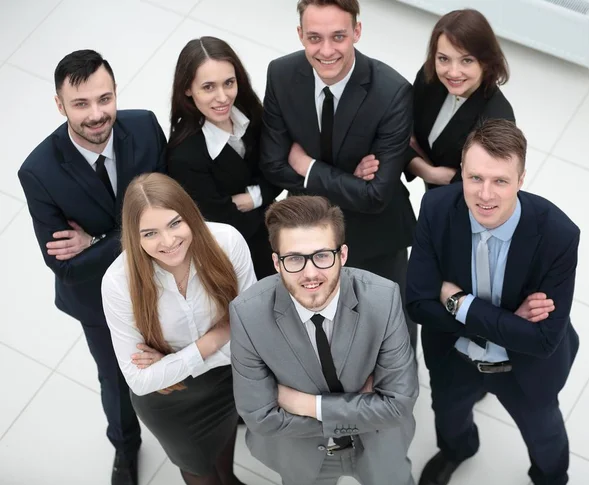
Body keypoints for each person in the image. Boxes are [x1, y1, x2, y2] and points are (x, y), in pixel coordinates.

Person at [17, 50, 167, 485]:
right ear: (60, 105)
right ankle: (126, 447)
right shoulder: (39, 171)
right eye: (81, 104)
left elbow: (174, 204)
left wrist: (98, 241)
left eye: (105, 99)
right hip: (97, 298)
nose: (98, 115)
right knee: (116, 377)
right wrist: (137, 232)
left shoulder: (144, 125)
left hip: (162, 275)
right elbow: (65, 267)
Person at [406, 119, 579, 485]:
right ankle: (458, 449)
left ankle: (551, 478)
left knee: (544, 434)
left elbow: (544, 339)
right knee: (449, 415)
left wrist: (459, 302)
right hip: (455, 355)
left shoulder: (558, 235)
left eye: (500, 180)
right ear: (462, 174)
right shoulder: (436, 209)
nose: (485, 195)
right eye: (475, 178)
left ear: (521, 179)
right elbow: (418, 304)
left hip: (524, 368)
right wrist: (508, 321)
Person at [259, 0, 417, 349]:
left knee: (391, 328)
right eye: (314, 37)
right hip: (308, 231)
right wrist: (348, 178)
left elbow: (376, 196)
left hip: (376, 235)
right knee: (319, 325)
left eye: (339, 36)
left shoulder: (392, 92)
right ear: (300, 34)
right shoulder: (281, 74)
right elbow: (271, 164)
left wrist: (307, 166)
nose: (326, 50)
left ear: (357, 32)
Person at [230, 195, 418, 485]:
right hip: (299, 453)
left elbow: (397, 405)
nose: (310, 273)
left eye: (322, 255)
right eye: (294, 258)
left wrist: (306, 405)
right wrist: (365, 405)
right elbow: (260, 417)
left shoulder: (384, 297)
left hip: (378, 444)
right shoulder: (247, 313)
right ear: (276, 263)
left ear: (342, 255)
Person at [101, 173, 256, 485]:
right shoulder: (118, 283)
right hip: (171, 399)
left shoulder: (226, 241)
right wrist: (215, 338)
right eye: (150, 233)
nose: (168, 242)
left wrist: (172, 362)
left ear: (190, 214)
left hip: (228, 378)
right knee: (197, 466)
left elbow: (252, 329)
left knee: (225, 439)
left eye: (174, 223)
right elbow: (140, 381)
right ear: (134, 236)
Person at [168, 36, 280, 280]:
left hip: (274, 233)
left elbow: (279, 170)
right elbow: (223, 222)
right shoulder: (183, 155)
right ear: (187, 89)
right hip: (240, 256)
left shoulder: (249, 110)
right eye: (208, 87)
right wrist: (267, 197)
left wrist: (251, 198)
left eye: (228, 83)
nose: (222, 97)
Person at [405, 9, 514, 190]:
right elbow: (397, 130)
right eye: (443, 59)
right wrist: (429, 172)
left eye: (466, 61)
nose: (453, 72)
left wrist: (416, 156)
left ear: (486, 61)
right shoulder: (429, 77)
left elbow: (482, 185)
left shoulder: (498, 119)